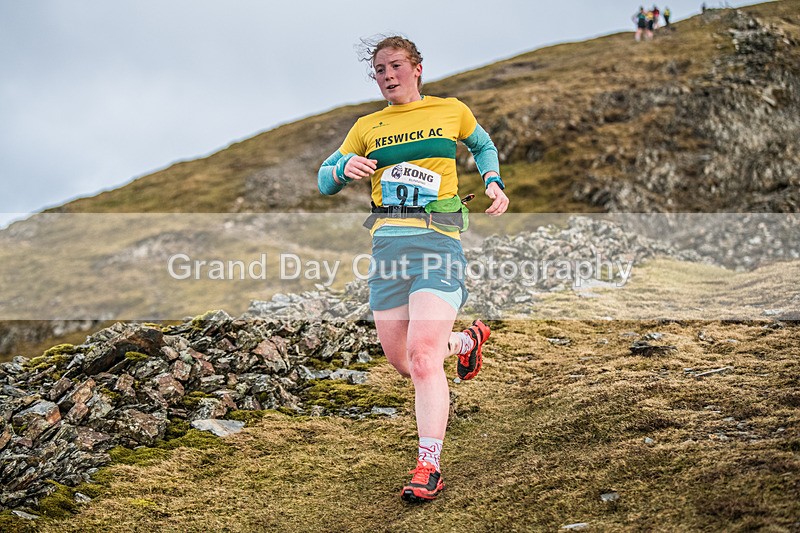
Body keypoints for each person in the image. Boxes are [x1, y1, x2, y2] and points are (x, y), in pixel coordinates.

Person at [317, 35, 509, 502]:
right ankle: (465, 342)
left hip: (438, 243)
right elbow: (325, 178)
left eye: (396, 66)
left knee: (424, 359)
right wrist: (344, 171)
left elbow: (483, 146)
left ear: (417, 68)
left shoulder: (450, 110)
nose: (387, 75)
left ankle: (429, 465)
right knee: (404, 361)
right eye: (379, 69)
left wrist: (493, 180)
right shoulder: (366, 127)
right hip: (388, 249)